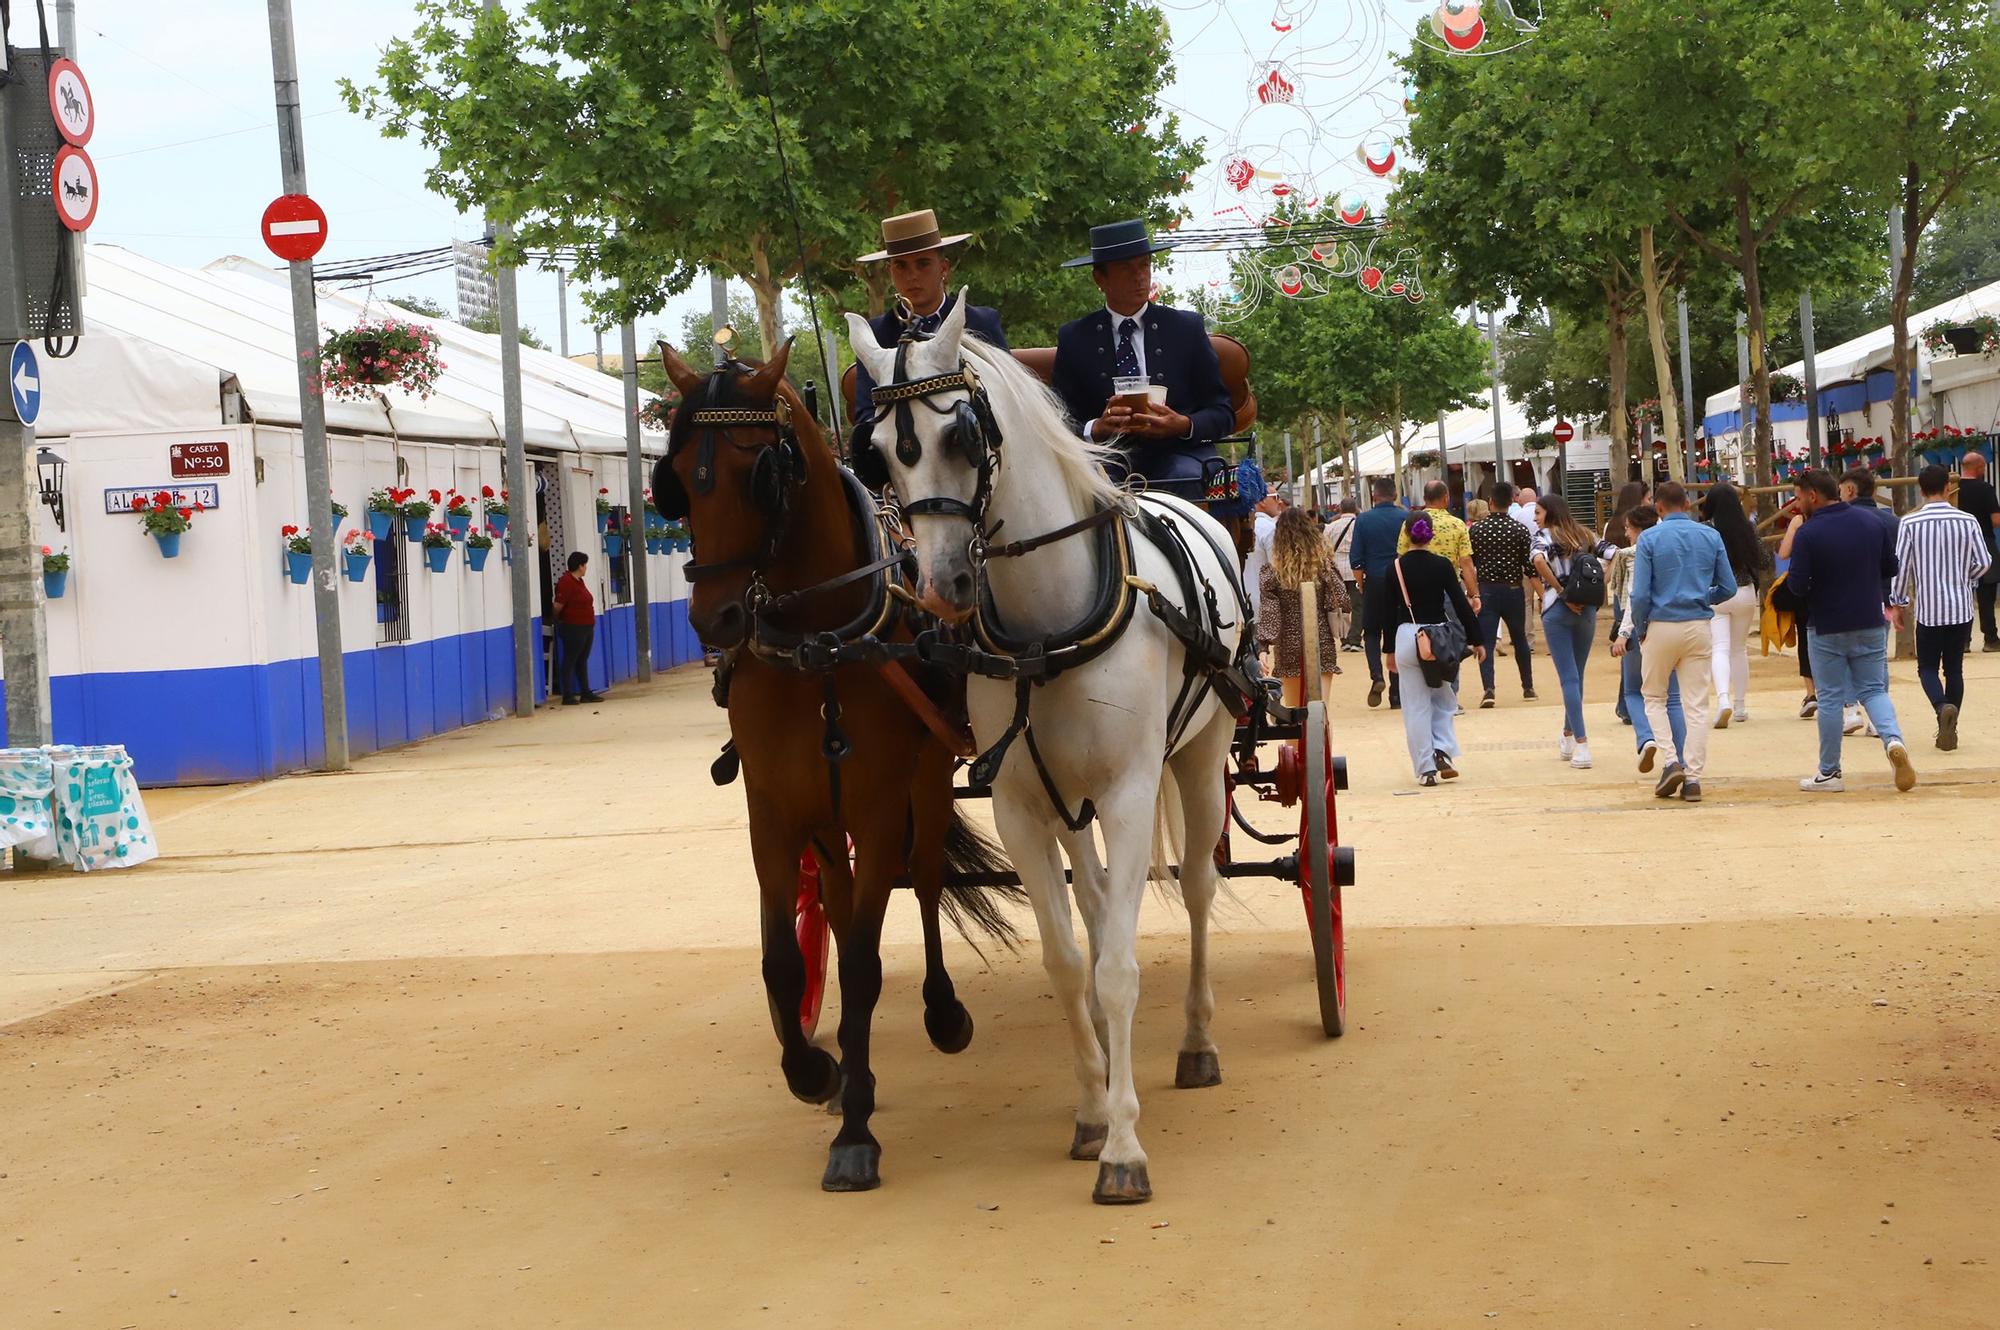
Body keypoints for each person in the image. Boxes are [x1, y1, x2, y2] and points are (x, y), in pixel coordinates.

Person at [1051, 220, 1235, 493]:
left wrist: (1182, 425)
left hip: (1179, 453)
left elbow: (1222, 413)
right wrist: (1097, 428)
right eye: (1126, 268)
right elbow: (1059, 419)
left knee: (1182, 478)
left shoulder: (1186, 328)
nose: (1139, 276)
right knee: (1093, 484)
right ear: (1099, 279)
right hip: (1107, 457)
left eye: (1145, 265)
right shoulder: (1075, 338)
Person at [1786, 469, 1916, 792]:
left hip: (1826, 624)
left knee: (1830, 697)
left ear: (1813, 495)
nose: (1797, 504)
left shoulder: (1808, 532)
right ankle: (1892, 740)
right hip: (1870, 619)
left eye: (1799, 497)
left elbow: (1798, 586)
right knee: (1874, 690)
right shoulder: (1872, 522)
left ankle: (1830, 773)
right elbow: (1891, 567)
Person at [849, 210, 1009, 457]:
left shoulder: (981, 323)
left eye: (922, 264)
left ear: (943, 268)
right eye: (900, 266)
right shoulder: (875, 336)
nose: (912, 276)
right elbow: (866, 414)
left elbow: (1006, 400)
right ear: (891, 272)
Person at [1629, 482, 1735, 803]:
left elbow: (1641, 593)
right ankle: (1694, 777)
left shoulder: (1649, 538)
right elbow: (1728, 586)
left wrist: (1641, 626)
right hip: (1698, 623)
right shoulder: (1711, 536)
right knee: (1697, 705)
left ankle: (1670, 759)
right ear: (1687, 503)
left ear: (1658, 507)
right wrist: (1705, 596)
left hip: (1661, 622)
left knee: (1654, 697)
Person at [1891, 464, 1991, 750]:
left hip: (1929, 610)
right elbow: (1984, 562)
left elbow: (1902, 568)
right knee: (1955, 670)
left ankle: (1940, 708)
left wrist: (1898, 603)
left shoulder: (1910, 523)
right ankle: (1952, 726)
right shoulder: (1967, 520)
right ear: (1948, 487)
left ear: (1920, 490)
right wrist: (1965, 579)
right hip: (1960, 608)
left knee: (1927, 668)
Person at [1384, 512, 1485, 786]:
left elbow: (1386, 612)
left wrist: (1388, 650)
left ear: (1406, 534)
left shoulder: (1394, 568)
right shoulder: (1442, 566)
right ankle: (1442, 749)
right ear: (1431, 535)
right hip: (1438, 637)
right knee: (1443, 697)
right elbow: (1460, 604)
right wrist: (1477, 638)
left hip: (1407, 636)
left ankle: (1425, 767)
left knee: (1415, 705)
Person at [1530, 493, 1613, 770]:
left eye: (1538, 513)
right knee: (1577, 675)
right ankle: (1569, 736)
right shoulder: (1585, 534)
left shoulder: (1543, 536)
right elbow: (1614, 554)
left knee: (1568, 679)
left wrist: (1561, 591)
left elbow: (1538, 561)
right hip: (1587, 609)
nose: (1535, 518)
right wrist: (1601, 583)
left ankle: (1581, 742)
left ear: (1549, 514)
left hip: (1557, 609)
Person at [1609, 505, 1687, 776]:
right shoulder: (1673, 549)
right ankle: (1680, 759)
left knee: (1633, 691)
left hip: (1641, 629)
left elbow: (1634, 596)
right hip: (1673, 624)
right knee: (1673, 698)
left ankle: (1645, 738)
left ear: (1638, 529)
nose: (1627, 533)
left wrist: (1624, 632)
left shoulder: (1631, 555)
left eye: (1628, 528)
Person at [1257, 507, 1350, 706]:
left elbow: (1270, 613)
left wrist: (1263, 647)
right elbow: (1340, 599)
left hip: (1289, 646)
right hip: (1320, 640)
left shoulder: (1273, 573)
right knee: (1321, 711)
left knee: (1294, 712)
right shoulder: (1323, 567)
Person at [1699, 482, 1766, 728]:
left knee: (1719, 648)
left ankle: (1723, 700)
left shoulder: (1705, 529)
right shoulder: (1747, 527)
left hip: (1716, 593)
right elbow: (1765, 559)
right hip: (1745, 591)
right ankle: (1740, 705)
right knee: (1739, 649)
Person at [1468, 481, 1536, 708]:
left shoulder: (1477, 530)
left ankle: (1489, 688)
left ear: (1491, 502)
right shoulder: (1519, 530)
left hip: (1487, 589)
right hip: (1513, 589)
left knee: (1485, 641)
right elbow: (1529, 566)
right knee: (1519, 639)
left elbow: (1470, 563)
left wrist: (1472, 591)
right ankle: (1528, 686)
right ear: (1511, 502)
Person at [1350, 477, 1410, 709]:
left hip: (1374, 579)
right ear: (1395, 495)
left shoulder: (1363, 520)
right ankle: (1396, 693)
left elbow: (1357, 560)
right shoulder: (1405, 517)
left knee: (1372, 632)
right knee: (1398, 633)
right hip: (1401, 579)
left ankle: (1376, 675)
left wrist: (1361, 584)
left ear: (1373, 496)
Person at [1602, 481, 1651, 724]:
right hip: (1635, 590)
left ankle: (1625, 704)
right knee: (1636, 649)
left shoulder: (1611, 524)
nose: (1650, 502)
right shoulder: (1647, 526)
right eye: (1648, 498)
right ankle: (1632, 702)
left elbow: (1605, 559)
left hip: (1619, 593)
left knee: (1628, 651)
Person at [1953, 449, 2000, 651]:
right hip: (1983, 543)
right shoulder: (1985, 489)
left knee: (1961, 593)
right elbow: (1996, 520)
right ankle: (1990, 639)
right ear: (1979, 467)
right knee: (1986, 593)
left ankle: (1963, 641)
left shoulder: (1953, 490)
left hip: (1957, 547)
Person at [553, 551, 602, 705]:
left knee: (582, 660)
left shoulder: (579, 581)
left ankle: (585, 692)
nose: (586, 568)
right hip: (573, 627)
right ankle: (567, 695)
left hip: (586, 626)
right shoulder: (566, 582)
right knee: (570, 660)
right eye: (585, 565)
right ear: (580, 566)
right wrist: (558, 622)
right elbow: (558, 606)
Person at [1324, 497, 1363, 650]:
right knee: (1358, 606)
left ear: (1340, 509)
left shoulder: (1330, 527)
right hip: (1356, 569)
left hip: (1336, 570)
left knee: (1341, 607)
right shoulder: (1360, 525)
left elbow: (1325, 549)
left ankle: (1344, 639)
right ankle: (1355, 639)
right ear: (1356, 509)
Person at [1243, 493, 1283, 621]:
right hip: (1265, 600)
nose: (1280, 501)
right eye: (1276, 497)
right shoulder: (1270, 529)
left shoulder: (1246, 527)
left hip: (1244, 596)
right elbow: (1277, 567)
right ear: (1262, 501)